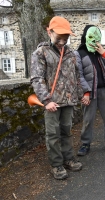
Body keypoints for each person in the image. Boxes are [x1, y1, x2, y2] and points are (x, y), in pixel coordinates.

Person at [30, 16, 85, 180]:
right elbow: (37, 78)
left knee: (66, 132)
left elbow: (76, 75)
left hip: (68, 100)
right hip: (52, 102)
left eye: (65, 38)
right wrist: (46, 100)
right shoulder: (41, 52)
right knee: (53, 134)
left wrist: (80, 94)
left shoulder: (70, 53)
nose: (62, 41)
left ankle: (68, 159)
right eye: (59, 37)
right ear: (49, 31)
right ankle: (56, 164)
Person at [75, 25, 105, 156]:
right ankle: (85, 143)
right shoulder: (79, 53)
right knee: (88, 119)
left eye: (97, 37)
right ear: (85, 37)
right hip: (89, 92)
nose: (94, 40)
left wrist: (104, 54)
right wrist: (86, 92)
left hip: (103, 90)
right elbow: (79, 74)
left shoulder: (101, 53)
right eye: (91, 37)